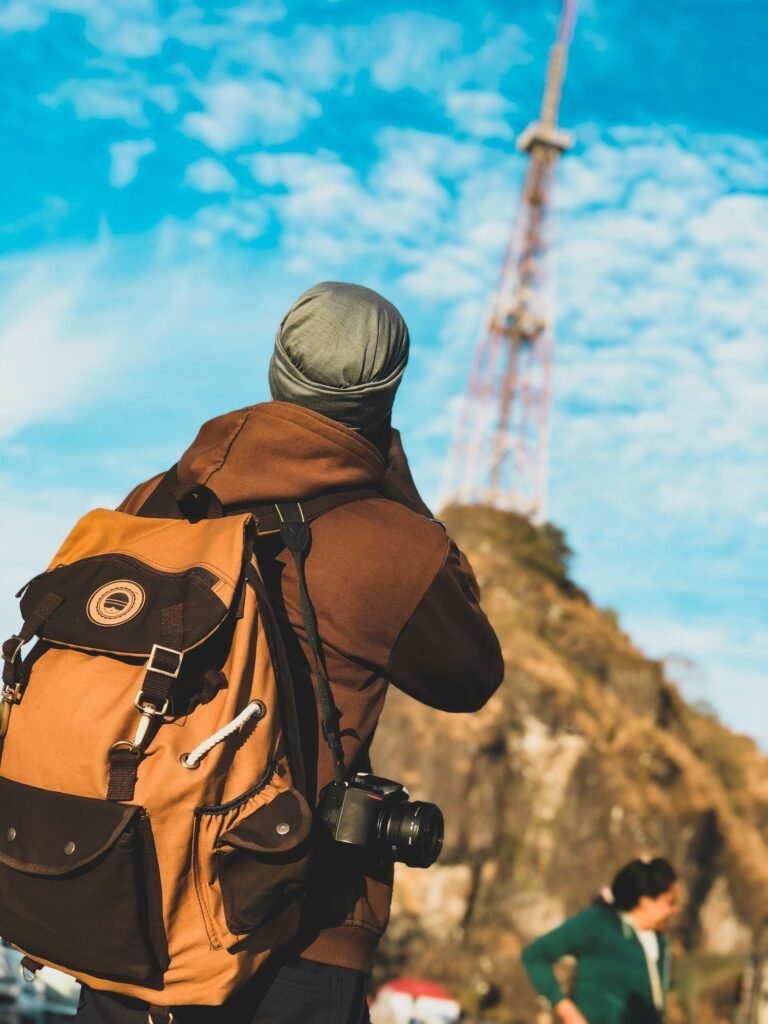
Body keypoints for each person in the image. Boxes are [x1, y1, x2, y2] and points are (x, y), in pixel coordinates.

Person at [74, 282, 504, 1024]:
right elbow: (471, 674)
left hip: (129, 909)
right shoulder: (388, 543)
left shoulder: (154, 501)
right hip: (291, 937)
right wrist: (399, 487)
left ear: (276, 368)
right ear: (386, 395)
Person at [521, 858, 680, 1024]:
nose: (675, 910)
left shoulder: (659, 941)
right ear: (645, 901)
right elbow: (534, 955)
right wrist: (569, 1013)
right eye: (670, 903)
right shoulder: (599, 922)